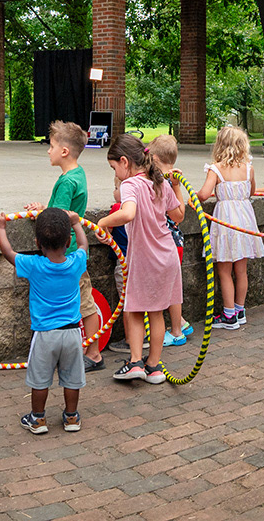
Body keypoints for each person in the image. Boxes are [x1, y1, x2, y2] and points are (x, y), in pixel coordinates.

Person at [0, 207, 88, 435]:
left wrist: (1, 228)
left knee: (40, 380)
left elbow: (8, 253)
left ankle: (38, 419)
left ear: (37, 243)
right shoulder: (76, 262)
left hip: (45, 335)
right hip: (73, 334)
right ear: (67, 241)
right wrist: (76, 223)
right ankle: (71, 417)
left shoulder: (34, 265)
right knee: (72, 379)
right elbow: (84, 246)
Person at [98, 134, 184, 384]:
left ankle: (135, 362)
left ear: (124, 162)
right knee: (156, 313)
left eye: (114, 167)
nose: (116, 172)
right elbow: (178, 216)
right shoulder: (158, 182)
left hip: (145, 258)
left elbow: (128, 213)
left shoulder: (130, 185)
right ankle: (154, 368)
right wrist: (176, 186)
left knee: (135, 310)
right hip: (167, 256)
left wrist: (103, 223)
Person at [22, 121, 106, 371]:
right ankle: (81, 349)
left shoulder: (67, 182)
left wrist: (40, 213)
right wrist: (43, 209)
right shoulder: (77, 174)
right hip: (70, 251)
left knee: (85, 304)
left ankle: (94, 353)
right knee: (80, 302)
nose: (48, 150)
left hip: (65, 253)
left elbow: (57, 218)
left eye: (52, 146)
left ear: (64, 151)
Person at [197, 126, 260, 331]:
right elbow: (252, 191)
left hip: (226, 220)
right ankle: (240, 310)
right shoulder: (248, 167)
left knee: (224, 270)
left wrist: (193, 198)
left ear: (220, 145)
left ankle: (229, 314)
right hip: (244, 218)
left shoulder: (216, 168)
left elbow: (205, 194)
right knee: (241, 269)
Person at [145, 135, 193, 344]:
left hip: (162, 244)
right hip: (176, 243)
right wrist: (177, 186)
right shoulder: (172, 180)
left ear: (154, 158)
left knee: (168, 291)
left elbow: (178, 215)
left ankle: (175, 331)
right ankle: (180, 324)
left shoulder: (156, 181)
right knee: (173, 288)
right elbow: (182, 211)